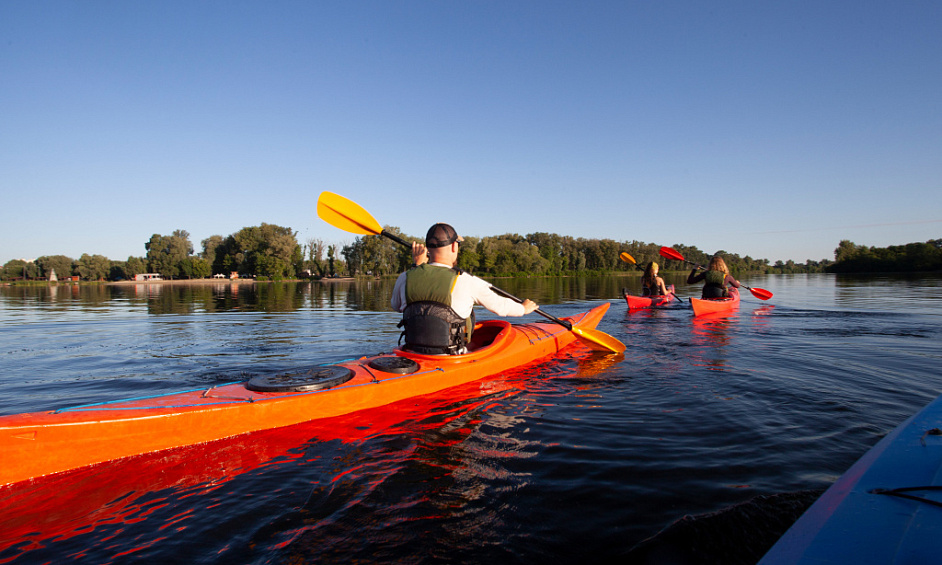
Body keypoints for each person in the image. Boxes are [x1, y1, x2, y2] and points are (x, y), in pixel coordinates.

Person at [391, 223, 539, 354]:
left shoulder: (405, 277)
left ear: (427, 249)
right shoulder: (467, 281)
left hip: (412, 353)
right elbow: (501, 307)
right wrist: (523, 309)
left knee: (474, 342)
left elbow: (397, 306)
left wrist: (417, 267)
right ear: (455, 246)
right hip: (452, 357)